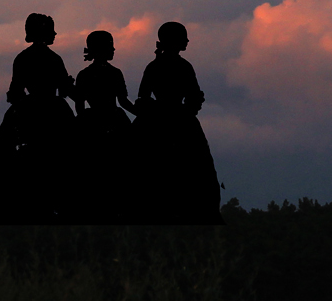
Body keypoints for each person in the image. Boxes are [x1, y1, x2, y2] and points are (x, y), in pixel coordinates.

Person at [0, 13, 76, 224]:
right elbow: (65, 89)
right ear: (44, 32)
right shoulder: (54, 59)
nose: (55, 33)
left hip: (27, 110)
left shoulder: (22, 58)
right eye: (51, 29)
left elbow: (14, 91)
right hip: (55, 111)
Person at [133, 22, 224, 224]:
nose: (188, 41)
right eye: (184, 37)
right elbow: (193, 96)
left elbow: (143, 99)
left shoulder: (155, 66)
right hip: (179, 123)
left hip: (158, 122)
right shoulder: (182, 66)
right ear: (175, 41)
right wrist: (187, 112)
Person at [68, 30, 138, 223]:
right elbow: (123, 101)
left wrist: (84, 125)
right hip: (115, 122)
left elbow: (80, 105)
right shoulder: (115, 73)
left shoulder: (84, 75)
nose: (114, 49)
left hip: (91, 124)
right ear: (103, 49)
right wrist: (141, 115)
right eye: (110, 45)